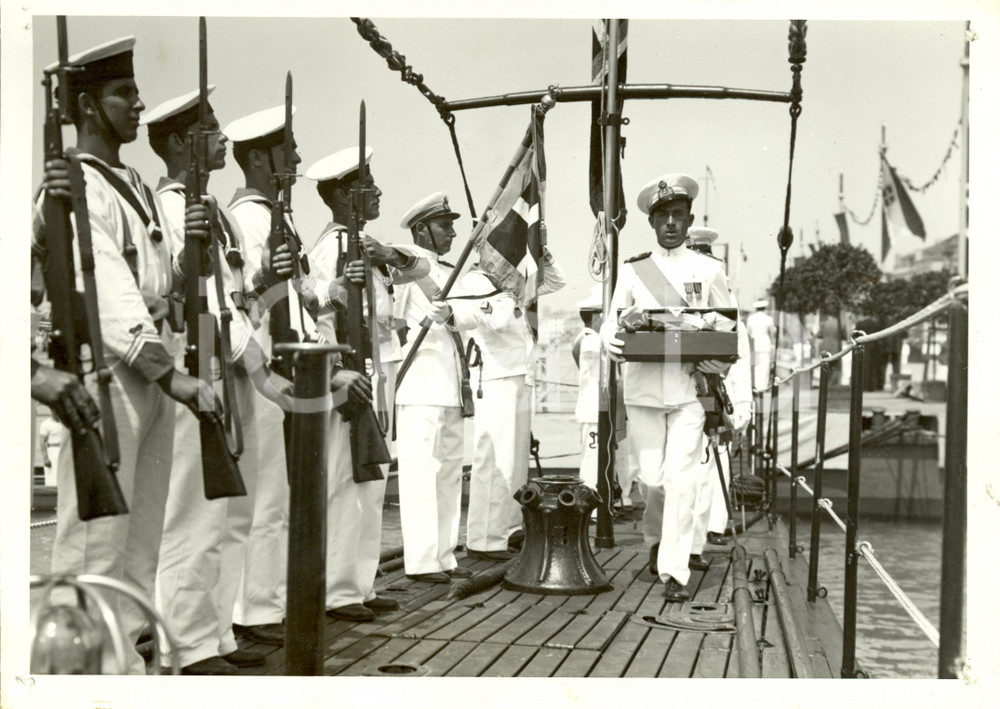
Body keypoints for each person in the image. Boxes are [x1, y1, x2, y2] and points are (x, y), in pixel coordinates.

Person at [34, 37, 217, 674]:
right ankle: (77, 679)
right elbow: (104, 287)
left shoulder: (132, 183)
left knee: (140, 539)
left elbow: (157, 283)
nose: (139, 105)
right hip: (109, 374)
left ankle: (124, 672)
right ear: (86, 105)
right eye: (124, 94)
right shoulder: (73, 185)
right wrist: (171, 375)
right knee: (94, 545)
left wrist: (194, 253)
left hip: (150, 375)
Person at [142, 88, 292, 674]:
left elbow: (233, 297)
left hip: (230, 366)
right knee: (194, 515)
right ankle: (185, 643)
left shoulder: (216, 210)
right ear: (180, 143)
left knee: (233, 511)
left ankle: (218, 633)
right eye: (209, 129)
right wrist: (251, 357)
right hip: (197, 366)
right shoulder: (172, 209)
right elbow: (180, 294)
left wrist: (262, 282)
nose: (222, 137)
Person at [600, 173, 737, 602]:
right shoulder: (633, 271)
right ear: (653, 223)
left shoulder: (710, 269)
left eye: (678, 215)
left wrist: (720, 356)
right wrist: (614, 336)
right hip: (643, 387)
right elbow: (610, 322)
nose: (672, 223)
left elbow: (729, 321)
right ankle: (656, 539)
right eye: (663, 216)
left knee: (682, 480)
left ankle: (674, 571)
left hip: (688, 388)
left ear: (689, 218)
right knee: (652, 479)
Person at [305, 146, 412, 620]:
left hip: (377, 366)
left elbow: (418, 269)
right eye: (369, 184)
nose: (379, 192)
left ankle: (360, 585)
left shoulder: (365, 245)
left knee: (372, 479)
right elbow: (317, 311)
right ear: (347, 196)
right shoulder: (332, 248)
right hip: (351, 370)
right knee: (348, 482)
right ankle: (338, 590)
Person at [223, 103, 308, 648]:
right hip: (257, 368)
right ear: (259, 159)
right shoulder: (248, 218)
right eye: (288, 150)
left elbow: (290, 297)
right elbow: (244, 302)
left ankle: (261, 605)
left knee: (274, 500)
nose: (298, 158)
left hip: (284, 362)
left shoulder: (279, 216)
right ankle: (249, 612)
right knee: (259, 500)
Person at [390, 192, 483, 583]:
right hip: (419, 385)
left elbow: (474, 312)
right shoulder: (404, 263)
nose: (452, 232)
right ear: (421, 229)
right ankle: (423, 559)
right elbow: (390, 316)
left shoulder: (450, 269)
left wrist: (452, 312)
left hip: (450, 385)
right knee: (421, 475)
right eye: (444, 225)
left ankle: (444, 556)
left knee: (447, 474)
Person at [464, 243, 565, 561]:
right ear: (485, 250)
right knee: (494, 459)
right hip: (495, 377)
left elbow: (558, 281)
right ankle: (485, 539)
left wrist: (542, 250)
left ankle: (508, 529)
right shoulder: (476, 281)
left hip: (521, 374)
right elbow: (498, 320)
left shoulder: (515, 278)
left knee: (515, 461)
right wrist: (512, 284)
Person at [745, 299, 776, 391]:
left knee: (755, 366)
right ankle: (763, 386)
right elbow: (772, 333)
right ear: (765, 308)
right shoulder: (768, 319)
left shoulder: (750, 319)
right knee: (764, 366)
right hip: (765, 345)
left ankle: (755, 385)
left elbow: (748, 332)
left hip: (754, 345)